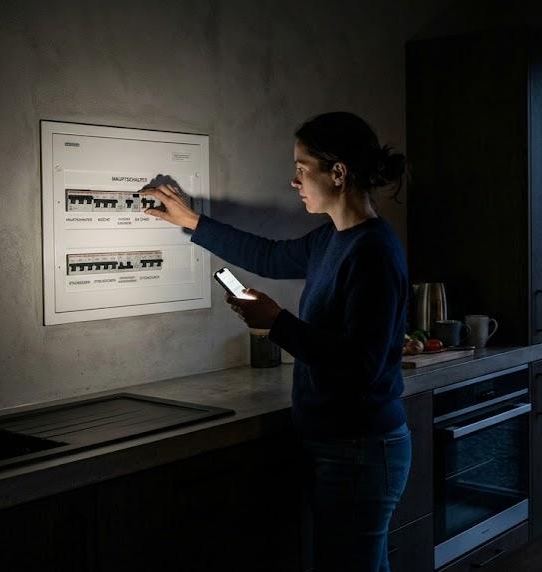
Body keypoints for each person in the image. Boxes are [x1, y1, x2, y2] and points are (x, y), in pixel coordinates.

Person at [141, 111, 412, 571]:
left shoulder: (373, 252)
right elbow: (268, 256)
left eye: (302, 169)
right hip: (339, 446)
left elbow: (360, 366)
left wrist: (277, 323)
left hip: (361, 450)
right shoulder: (332, 239)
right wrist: (191, 220)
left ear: (338, 173)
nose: (294, 181)